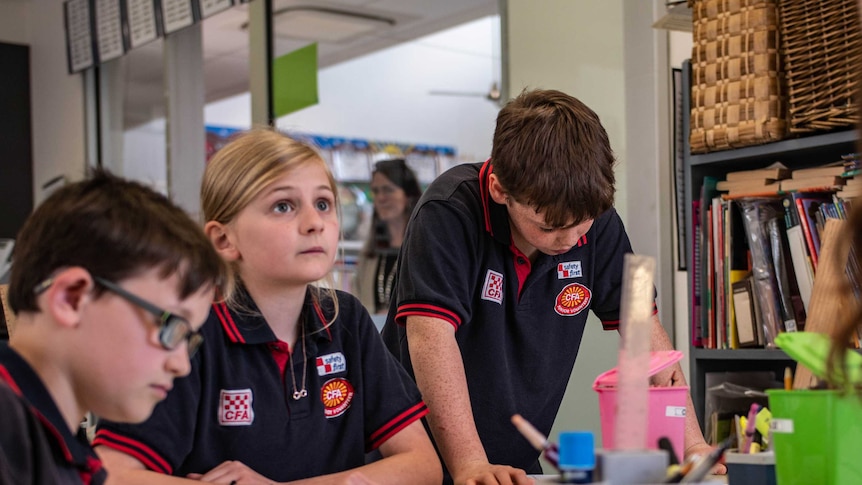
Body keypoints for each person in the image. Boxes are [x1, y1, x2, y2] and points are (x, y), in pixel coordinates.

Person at [381, 89, 718, 484]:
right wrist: (470, 463)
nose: (573, 239)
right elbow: (430, 339)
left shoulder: (602, 219)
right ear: (500, 190)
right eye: (550, 226)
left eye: (583, 222)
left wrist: (693, 444)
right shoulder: (445, 211)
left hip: (517, 462)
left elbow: (647, 332)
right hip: (415, 460)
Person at [93, 128, 442, 484]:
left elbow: (422, 465)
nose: (314, 223)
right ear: (224, 239)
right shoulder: (191, 332)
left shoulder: (346, 319)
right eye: (283, 206)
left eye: (323, 204)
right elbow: (111, 473)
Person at [0, 170, 225, 484]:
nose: (181, 365)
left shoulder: (66, 456)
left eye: (187, 340)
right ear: (72, 298)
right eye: (171, 325)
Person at [357, 159, 422, 314]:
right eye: (376, 191)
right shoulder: (370, 251)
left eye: (388, 190)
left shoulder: (424, 249)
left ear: (408, 196)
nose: (380, 198)